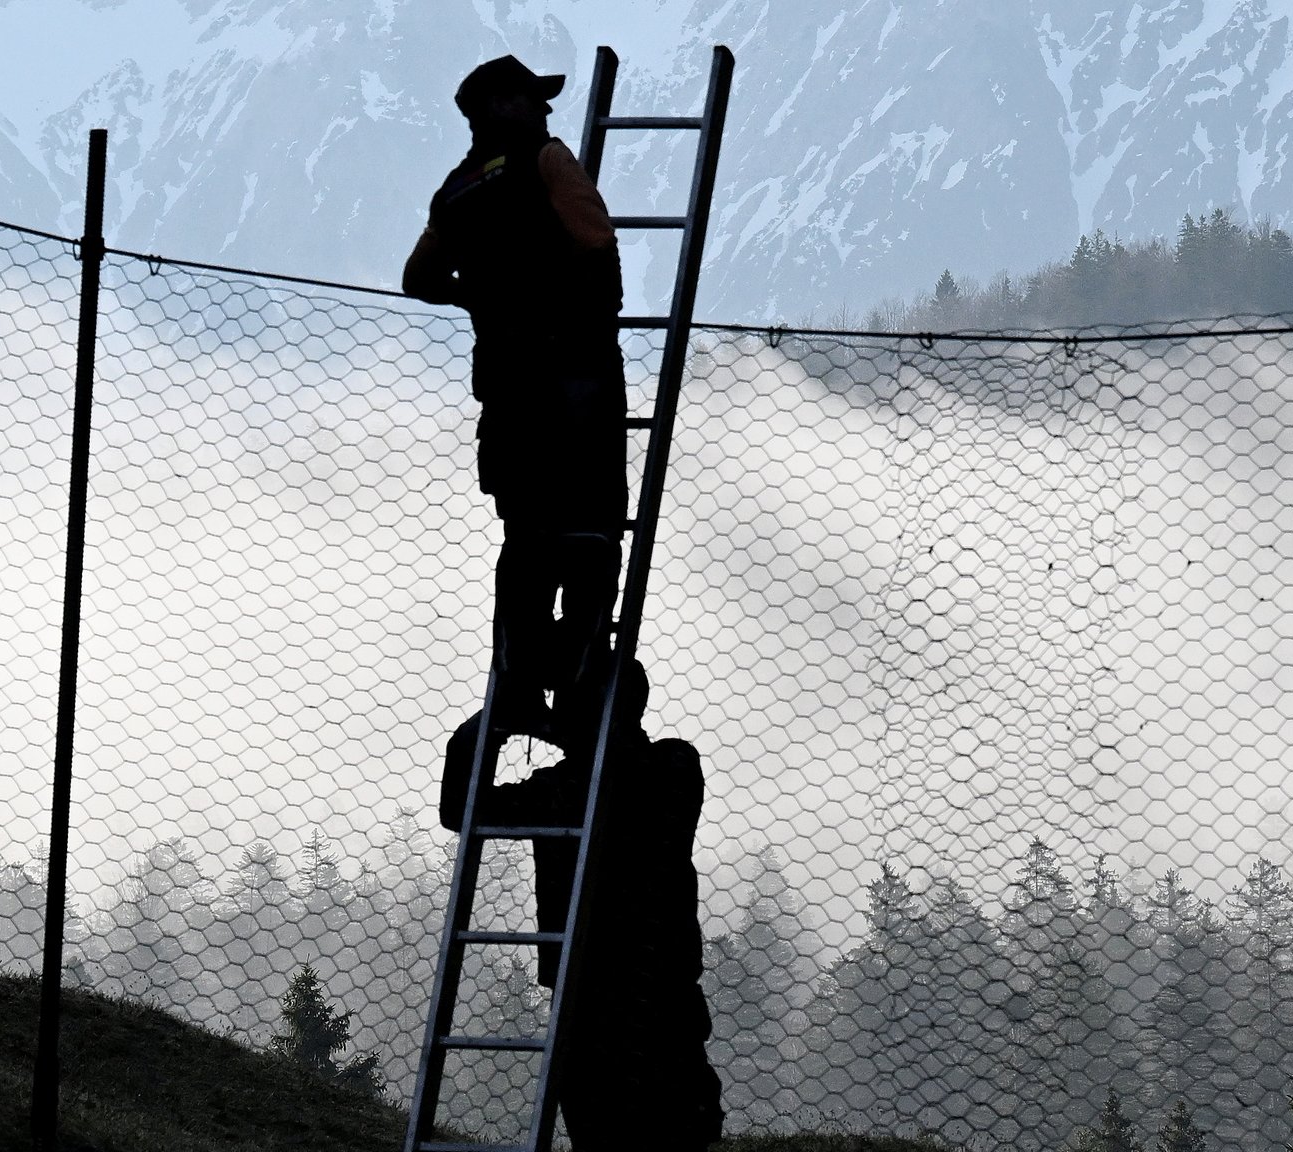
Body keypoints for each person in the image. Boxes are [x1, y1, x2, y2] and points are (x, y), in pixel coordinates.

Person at [404, 55, 628, 747]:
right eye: (535, 98)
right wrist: (590, 316)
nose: (548, 109)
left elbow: (418, 278)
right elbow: (597, 244)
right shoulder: (547, 160)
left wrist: (480, 295)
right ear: (502, 106)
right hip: (576, 383)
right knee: (591, 535)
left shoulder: (457, 189)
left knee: (526, 547)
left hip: (506, 394)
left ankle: (518, 690)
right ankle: (580, 683)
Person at [442, 659, 725, 1151]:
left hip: (618, 995)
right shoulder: (661, 769)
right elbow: (460, 812)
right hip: (629, 995)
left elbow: (461, 808)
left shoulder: (635, 773)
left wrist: (494, 725)